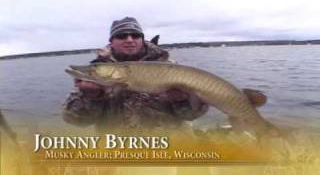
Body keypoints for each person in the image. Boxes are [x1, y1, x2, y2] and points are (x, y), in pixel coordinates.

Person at [63, 17, 267, 131]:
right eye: (121, 35)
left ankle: (265, 129)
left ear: (142, 39)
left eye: (135, 35)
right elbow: (76, 121)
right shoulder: (95, 76)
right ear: (111, 41)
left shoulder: (168, 65)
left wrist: (181, 101)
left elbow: (191, 114)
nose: (129, 39)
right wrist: (91, 97)